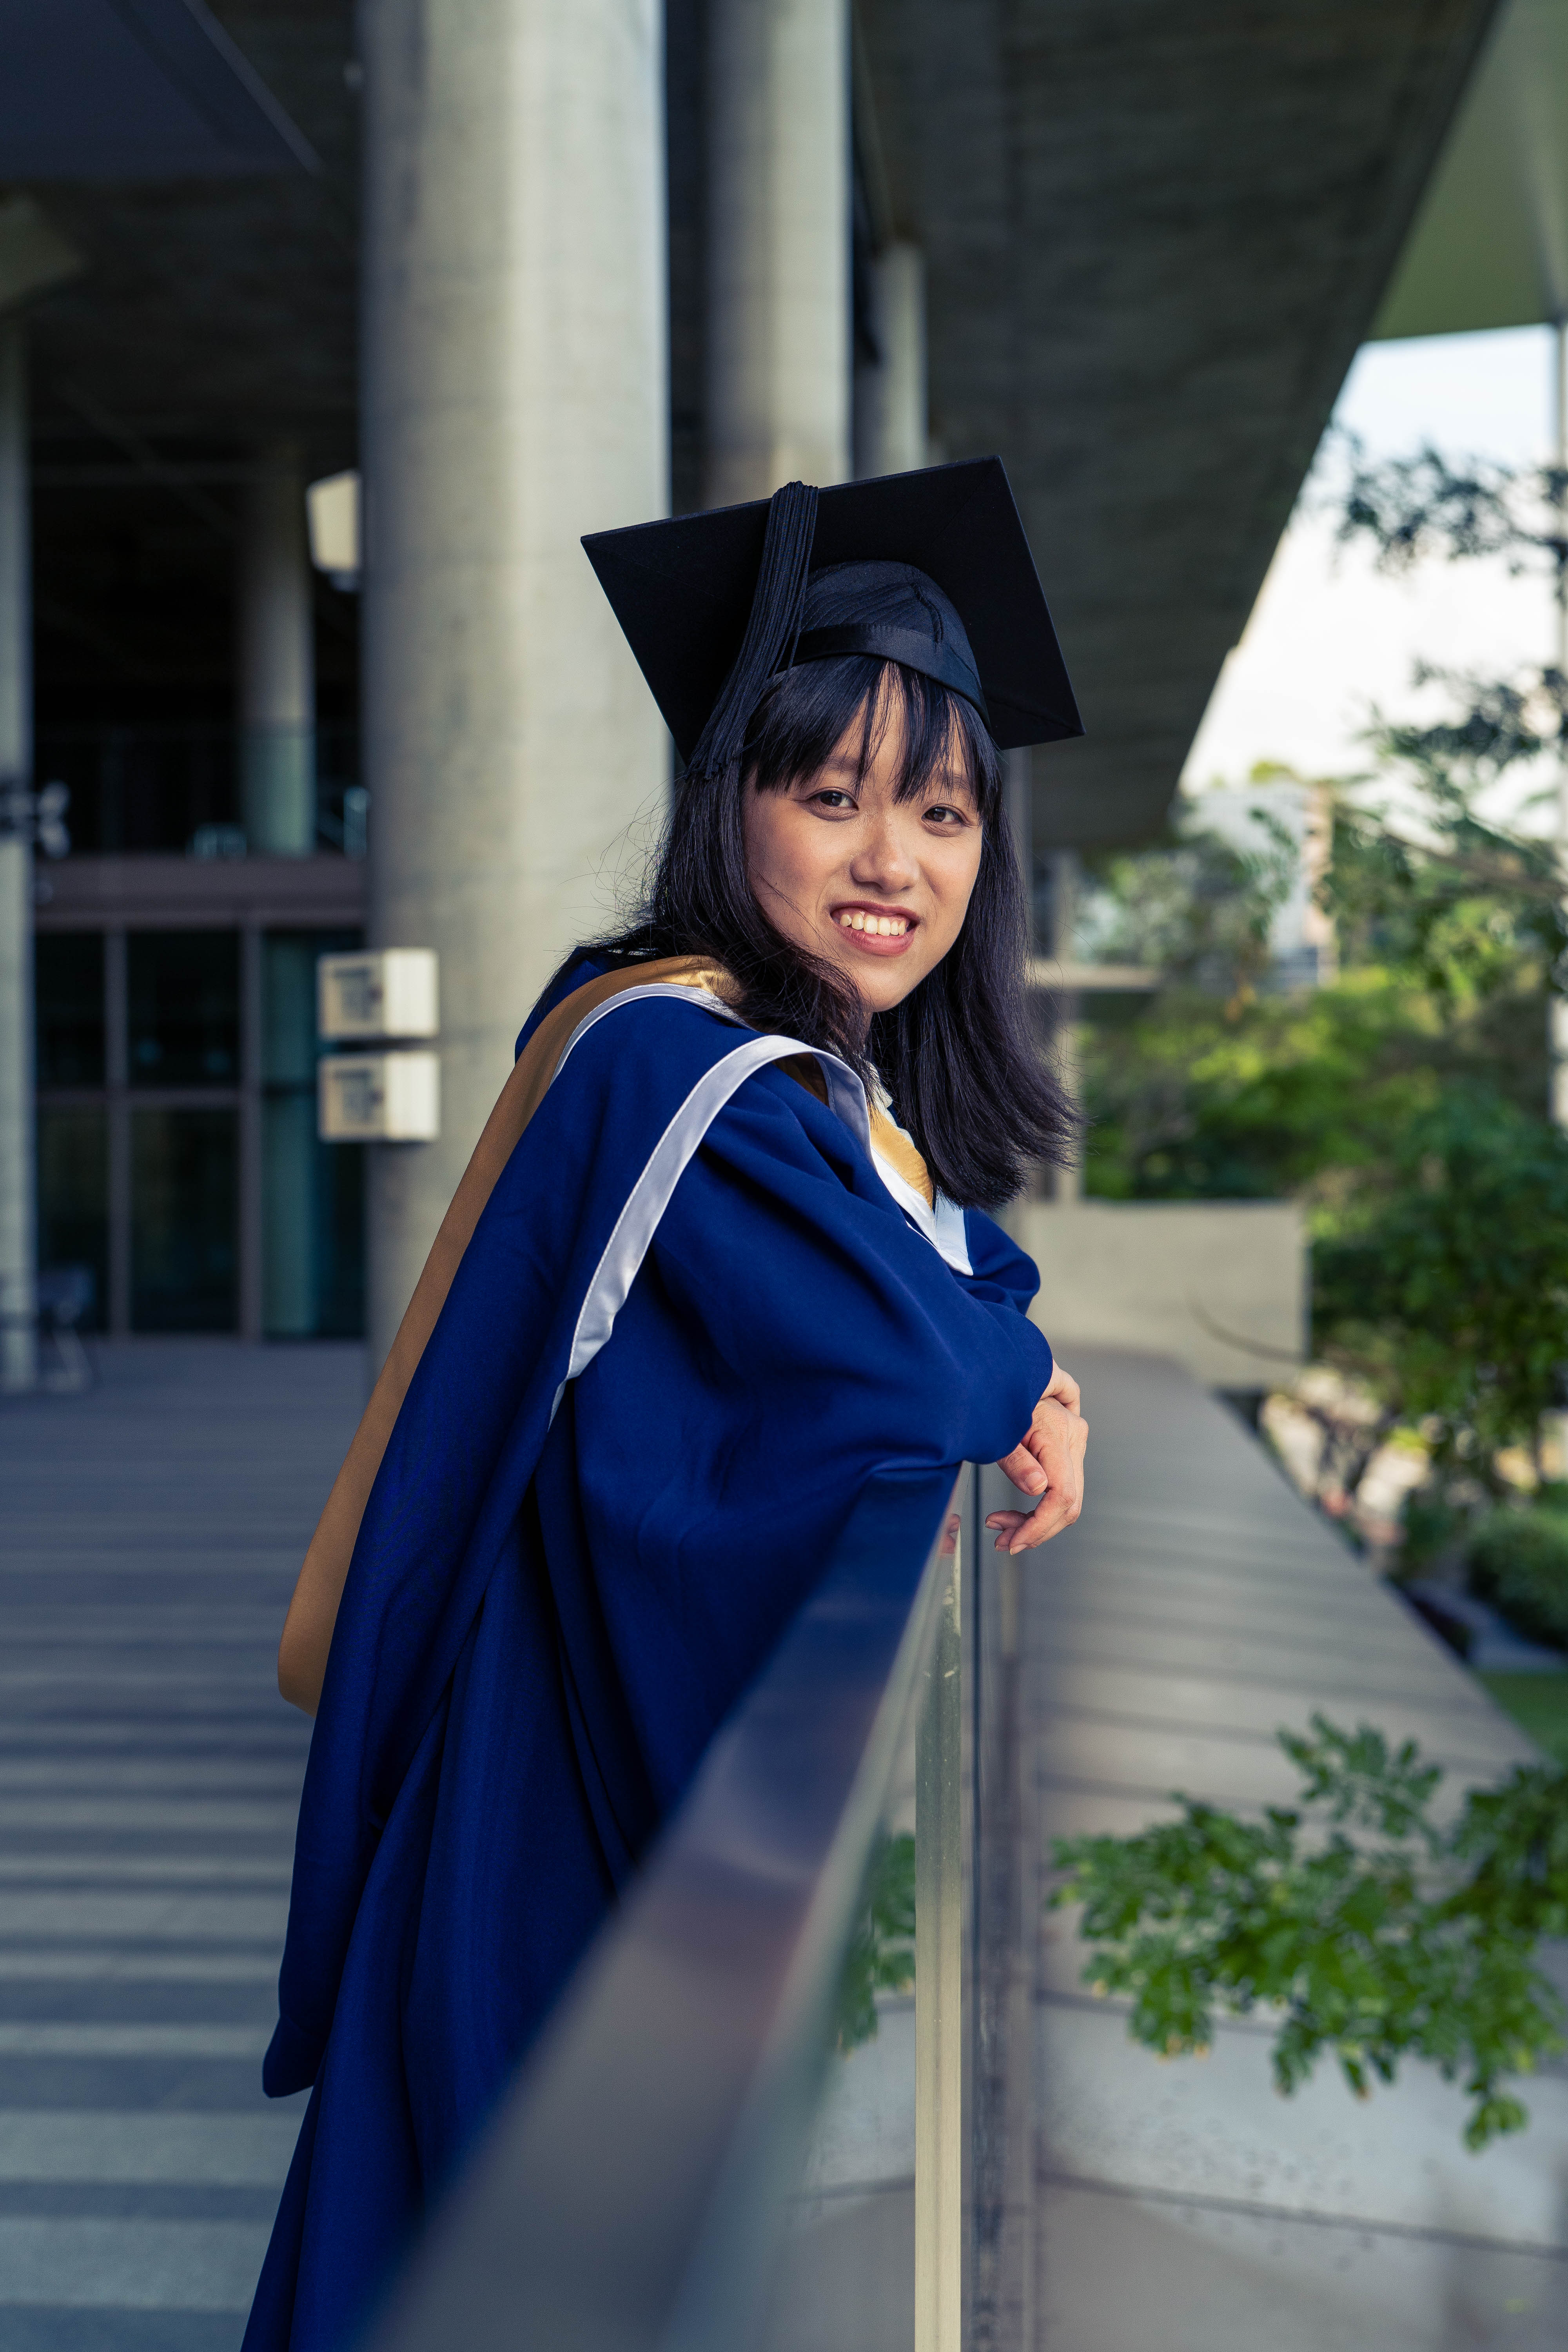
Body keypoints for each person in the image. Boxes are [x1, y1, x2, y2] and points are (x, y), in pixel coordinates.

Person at [243, 459, 1089, 2350]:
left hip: (554, 1816)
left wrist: (1023, 1351)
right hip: (542, 1852)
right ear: (732, 802)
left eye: (943, 812)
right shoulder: (683, 1078)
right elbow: (931, 1349)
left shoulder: (721, 1046)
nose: (897, 862)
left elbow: (959, 1267)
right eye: (831, 796)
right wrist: (1029, 1373)